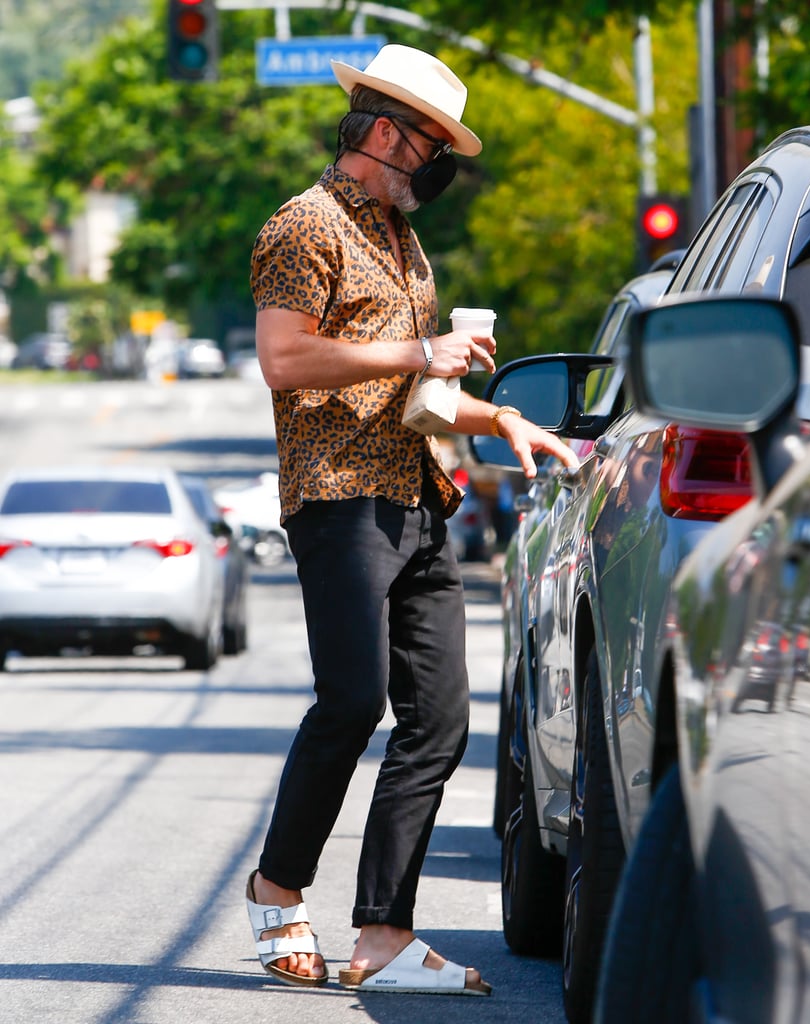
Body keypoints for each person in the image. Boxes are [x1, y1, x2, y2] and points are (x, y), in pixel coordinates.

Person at [245, 43, 579, 997]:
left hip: (418, 495)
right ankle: (277, 891)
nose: (440, 169)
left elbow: (415, 390)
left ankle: (384, 934)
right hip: (340, 496)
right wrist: (418, 348)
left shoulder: (400, 239)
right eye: (433, 146)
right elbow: (285, 359)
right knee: (351, 703)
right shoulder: (299, 227)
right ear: (386, 132)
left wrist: (499, 416)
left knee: (438, 724)